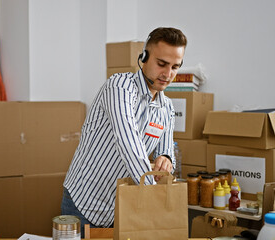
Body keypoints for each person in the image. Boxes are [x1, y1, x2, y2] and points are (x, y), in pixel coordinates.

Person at [62, 27, 187, 235]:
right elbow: (130, 145)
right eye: (162, 64)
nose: (168, 74)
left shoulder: (167, 108)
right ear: (144, 57)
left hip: (119, 207)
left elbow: (165, 154)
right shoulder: (120, 87)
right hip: (82, 201)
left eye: (175, 67)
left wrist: (165, 160)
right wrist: (156, 199)